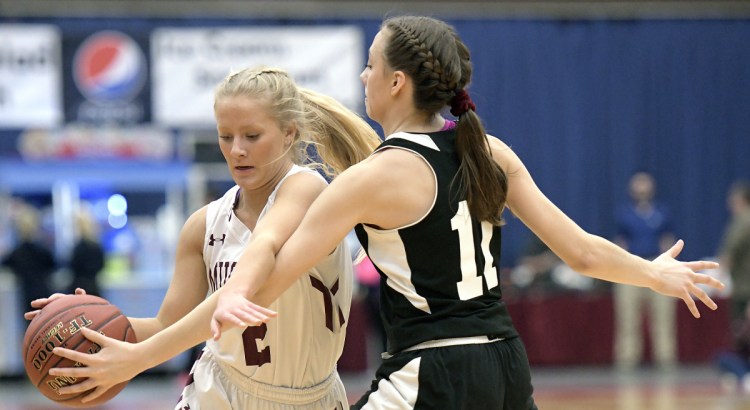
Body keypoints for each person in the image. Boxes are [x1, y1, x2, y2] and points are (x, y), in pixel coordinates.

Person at [46, 16, 723, 410]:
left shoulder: (369, 179)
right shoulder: (490, 151)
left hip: (431, 368)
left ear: (397, 82)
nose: (363, 78)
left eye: (370, 66)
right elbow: (582, 253)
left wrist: (137, 359)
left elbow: (261, 277)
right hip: (506, 363)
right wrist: (654, 274)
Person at [28, 66, 381, 409]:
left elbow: (266, 241)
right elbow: (167, 325)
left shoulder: (306, 188)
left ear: (289, 133)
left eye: (252, 136)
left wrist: (140, 358)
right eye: (225, 136)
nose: (237, 149)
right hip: (220, 390)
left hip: (307, 398)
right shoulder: (203, 225)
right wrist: (79, 322)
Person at [612, 171, 678, 371]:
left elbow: (668, 240)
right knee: (628, 317)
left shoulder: (662, 212)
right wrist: (618, 270)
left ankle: (666, 358)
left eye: (645, 185)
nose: (642, 190)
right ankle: (627, 358)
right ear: (632, 190)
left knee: (663, 316)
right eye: (638, 186)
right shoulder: (624, 214)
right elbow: (620, 243)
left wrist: (671, 267)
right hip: (631, 268)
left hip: (657, 266)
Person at [2, 203, 56, 318]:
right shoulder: (43, 250)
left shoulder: (17, 253)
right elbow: (53, 266)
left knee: (30, 325)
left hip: (26, 293)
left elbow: (6, 265)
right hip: (43, 291)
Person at [718, 180, 750, 330]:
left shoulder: (743, 220)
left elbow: (731, 249)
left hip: (744, 285)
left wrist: (717, 275)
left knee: (741, 328)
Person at [66, 209, 105, 297]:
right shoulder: (96, 246)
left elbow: (73, 266)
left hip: (78, 288)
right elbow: (101, 265)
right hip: (93, 287)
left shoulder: (78, 248)